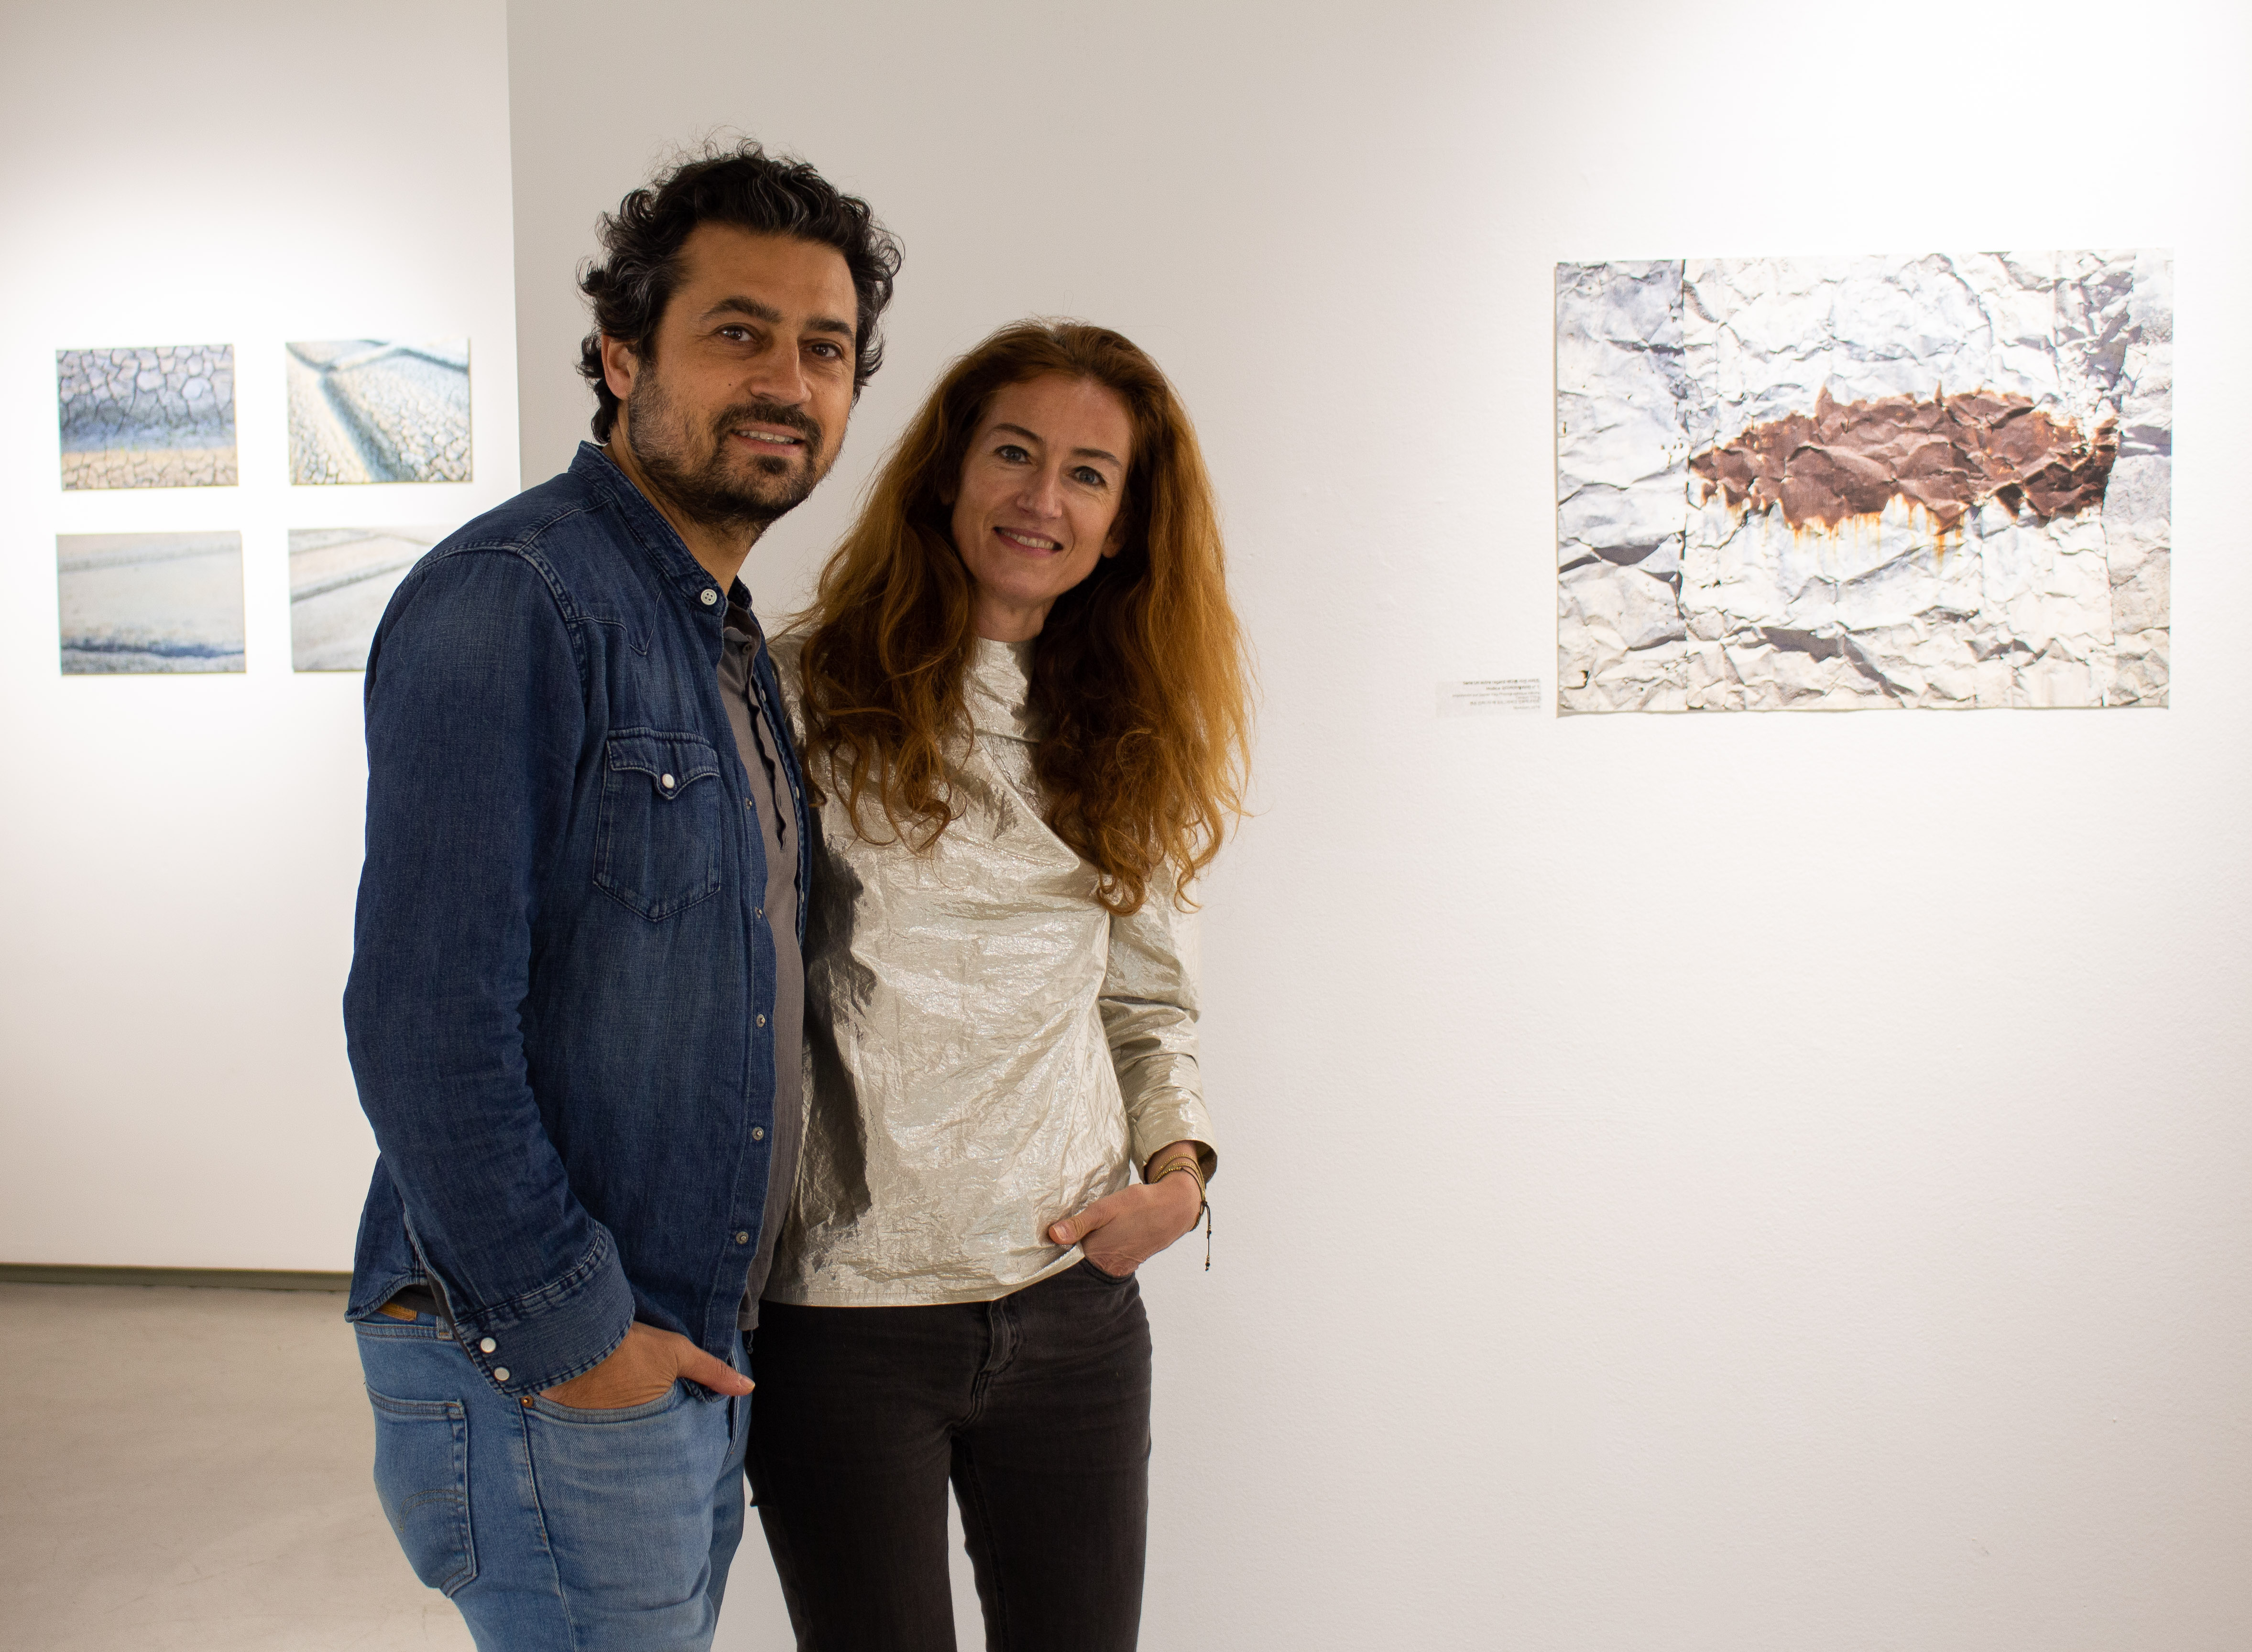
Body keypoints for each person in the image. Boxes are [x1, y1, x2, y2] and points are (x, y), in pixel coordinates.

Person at [340, 141, 899, 1650]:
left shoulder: (719, 635)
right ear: (620, 353)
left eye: (825, 348)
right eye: (738, 331)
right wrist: (577, 1334)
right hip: (558, 1361)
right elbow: (422, 1025)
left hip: (674, 1352)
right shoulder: (518, 597)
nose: (787, 380)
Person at [748, 320, 1253, 1650]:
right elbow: (724, 991)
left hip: (1073, 1306)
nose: (1043, 499)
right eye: (1014, 454)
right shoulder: (796, 697)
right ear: (949, 474)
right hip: (845, 1319)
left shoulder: (1133, 730)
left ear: (1124, 525)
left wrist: (1181, 1175)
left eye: (1089, 474)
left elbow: (1147, 1003)